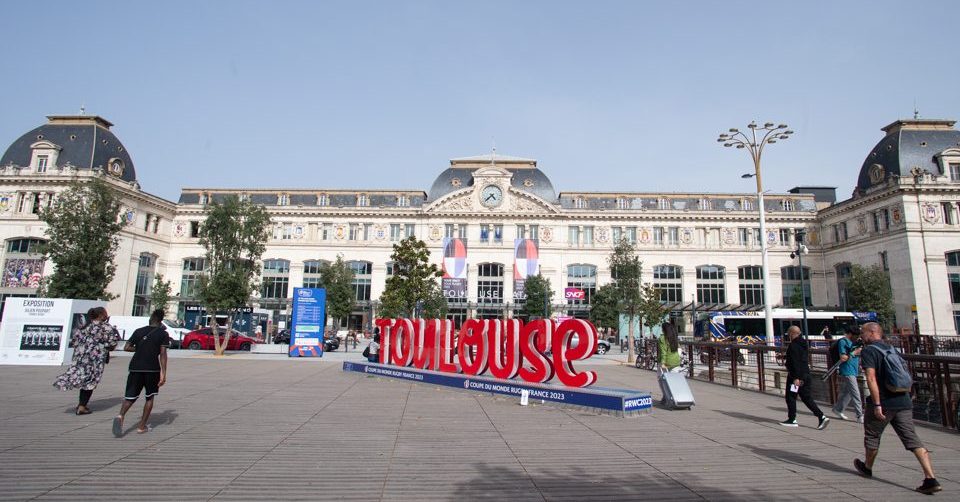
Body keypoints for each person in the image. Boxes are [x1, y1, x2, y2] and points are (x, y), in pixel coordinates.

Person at [854, 322, 940, 494]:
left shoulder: (869, 351)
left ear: (872, 333)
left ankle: (867, 467)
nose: (861, 336)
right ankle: (931, 478)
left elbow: (871, 379)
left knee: (872, 435)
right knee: (911, 438)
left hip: (884, 403)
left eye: (863, 332)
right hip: (903, 401)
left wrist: (877, 404)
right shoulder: (892, 349)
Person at [113, 309, 170, 437]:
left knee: (130, 396)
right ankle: (142, 426)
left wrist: (139, 349)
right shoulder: (162, 334)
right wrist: (163, 373)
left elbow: (126, 347)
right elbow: (163, 354)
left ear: (150, 320)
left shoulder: (138, 331)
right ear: (161, 322)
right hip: (152, 369)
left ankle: (120, 415)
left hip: (135, 367)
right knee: (149, 397)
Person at [53, 307, 120, 415]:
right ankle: (82, 406)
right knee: (90, 382)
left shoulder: (84, 326)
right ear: (101, 315)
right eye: (105, 313)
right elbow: (112, 344)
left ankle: (81, 403)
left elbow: (74, 342)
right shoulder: (105, 327)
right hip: (95, 360)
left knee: (82, 378)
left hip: (80, 358)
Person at [779, 325, 830, 430]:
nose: (788, 336)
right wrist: (784, 357)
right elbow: (799, 358)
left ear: (792, 334)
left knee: (791, 397)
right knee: (806, 397)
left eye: (789, 334)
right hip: (805, 374)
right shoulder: (803, 344)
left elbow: (795, 362)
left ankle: (792, 419)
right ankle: (821, 416)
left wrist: (796, 378)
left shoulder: (793, 345)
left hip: (796, 377)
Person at [832, 325, 864, 422]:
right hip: (847, 369)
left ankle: (838, 409)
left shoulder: (855, 342)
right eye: (855, 335)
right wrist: (854, 353)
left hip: (854, 369)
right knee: (855, 392)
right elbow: (843, 357)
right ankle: (859, 415)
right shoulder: (843, 341)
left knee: (849, 391)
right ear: (850, 334)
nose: (857, 337)